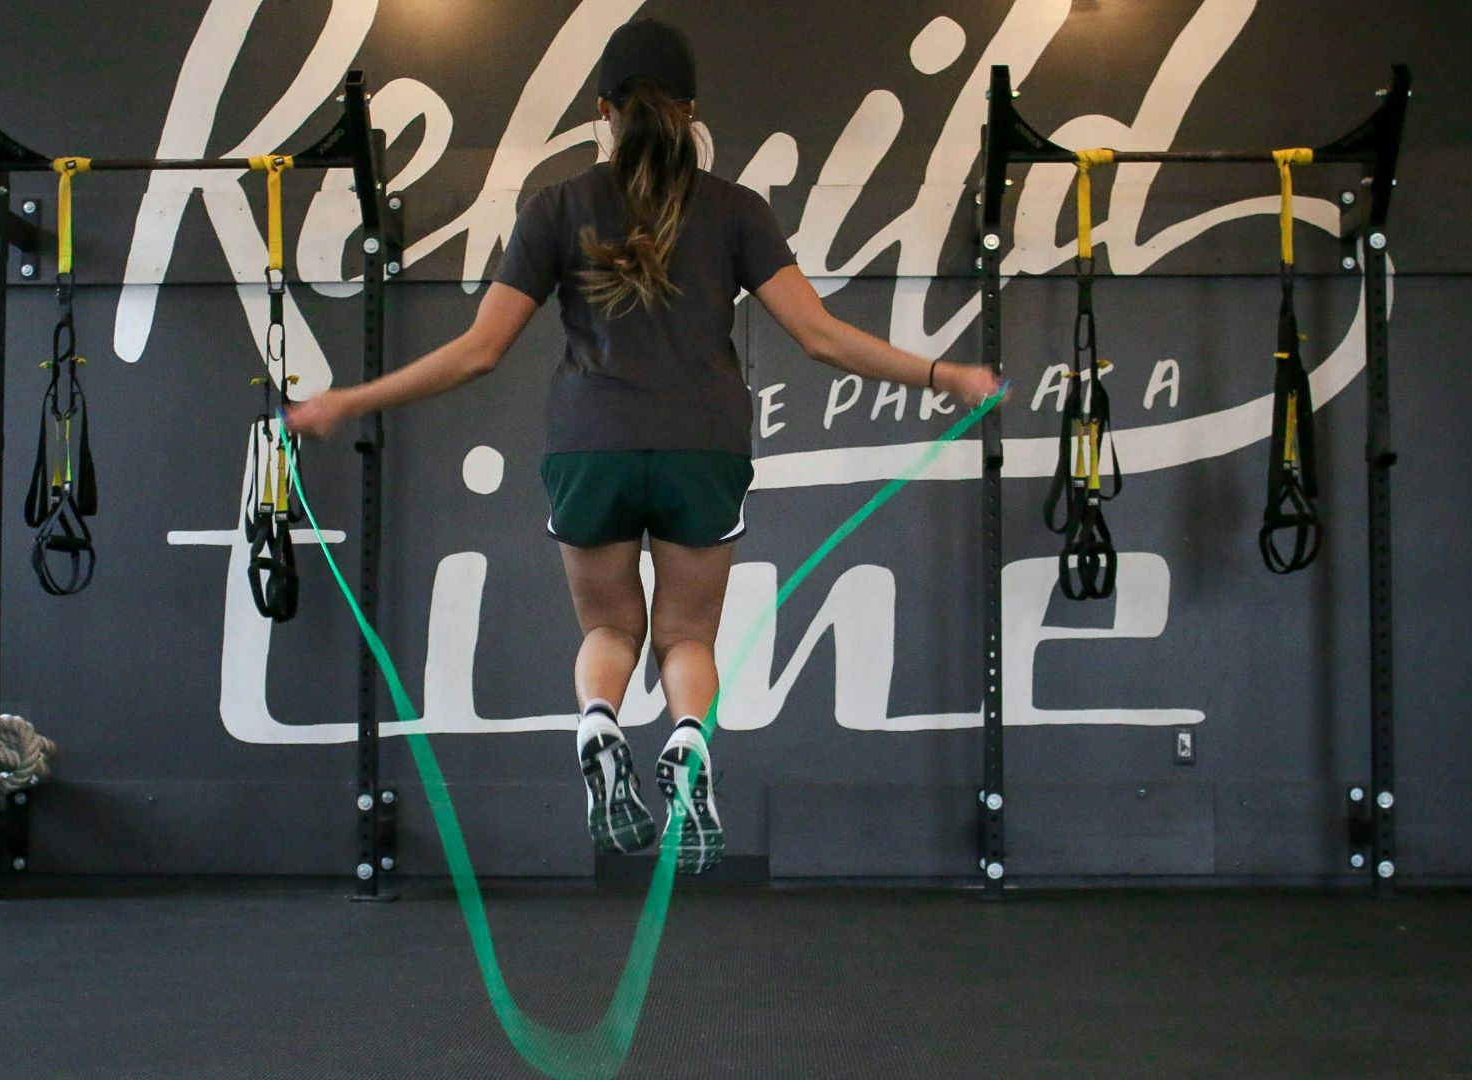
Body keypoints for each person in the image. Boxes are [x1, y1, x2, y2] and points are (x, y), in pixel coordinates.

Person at [285, 18, 1002, 874]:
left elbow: (478, 352)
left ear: (603, 110)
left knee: (608, 627)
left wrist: (349, 399)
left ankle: (598, 725)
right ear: (691, 111)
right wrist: (942, 375)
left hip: (591, 448)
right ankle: (688, 743)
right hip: (705, 446)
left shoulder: (557, 207)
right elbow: (819, 337)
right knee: (688, 636)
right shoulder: (737, 209)